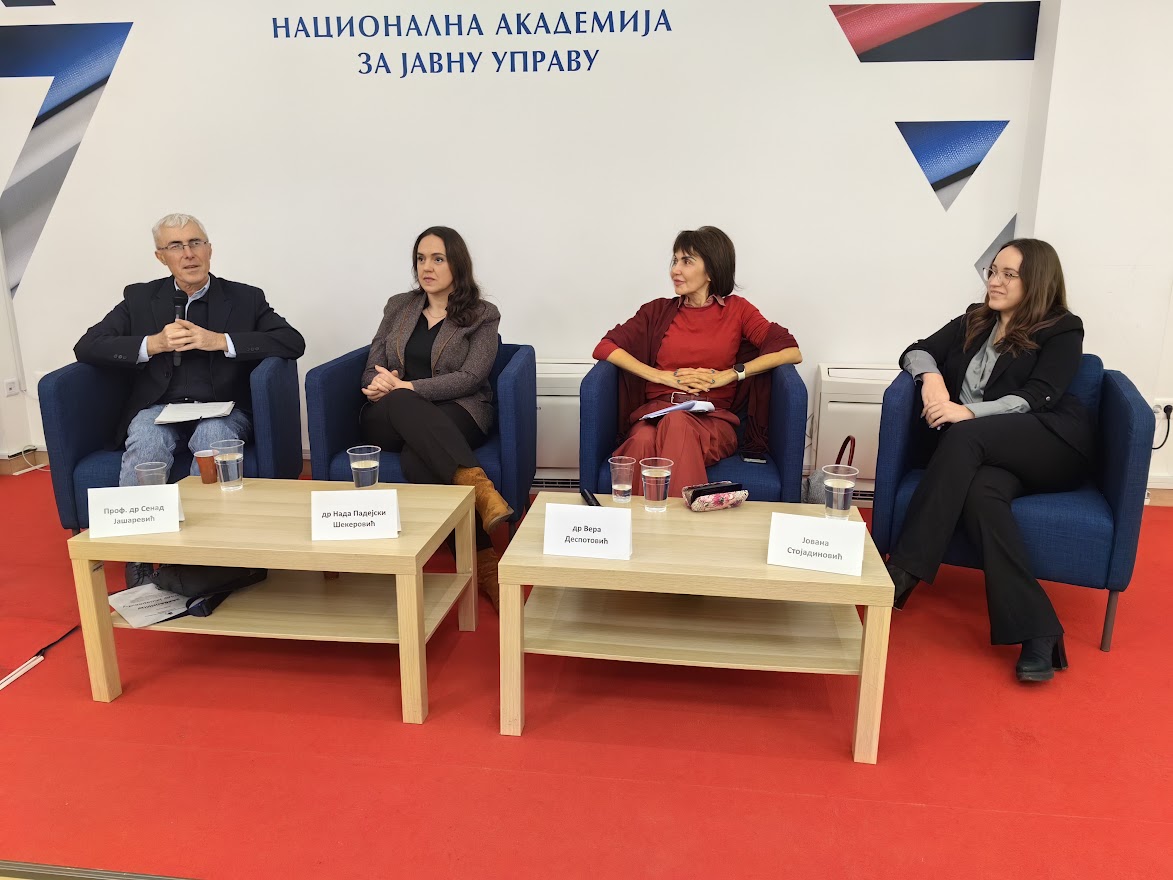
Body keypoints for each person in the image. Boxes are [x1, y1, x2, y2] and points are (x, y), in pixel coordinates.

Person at [884, 238, 1095, 683]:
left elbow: (1040, 396)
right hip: (987, 452)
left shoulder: (1062, 328)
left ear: (1036, 281)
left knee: (964, 435)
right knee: (982, 495)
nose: (994, 282)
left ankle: (902, 571)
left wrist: (968, 413)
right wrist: (931, 377)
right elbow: (916, 349)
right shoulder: (975, 319)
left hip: (1049, 443)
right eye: (992, 271)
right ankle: (1039, 631)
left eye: (1008, 274)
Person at [74, 213, 306, 586]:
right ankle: (140, 554)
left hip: (223, 408)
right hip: (159, 407)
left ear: (209, 249)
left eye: (196, 243)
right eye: (176, 246)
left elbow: (292, 342)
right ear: (160, 257)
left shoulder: (245, 297)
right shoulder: (139, 298)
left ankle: (208, 554)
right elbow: (87, 346)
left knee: (214, 438)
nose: (188, 254)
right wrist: (153, 344)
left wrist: (220, 341)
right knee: (146, 438)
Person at [358, 226, 510, 611]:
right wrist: (378, 385)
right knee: (401, 403)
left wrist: (406, 387)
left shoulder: (481, 314)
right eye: (421, 259)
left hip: (460, 410)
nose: (427, 267)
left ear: (457, 264)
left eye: (438, 259)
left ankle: (481, 561)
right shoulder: (398, 307)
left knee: (418, 455)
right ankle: (481, 491)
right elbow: (372, 365)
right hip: (391, 414)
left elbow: (471, 377)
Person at [592, 226, 801, 495]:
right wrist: (659, 375)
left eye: (687, 261)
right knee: (642, 438)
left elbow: (791, 351)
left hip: (712, 421)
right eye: (675, 260)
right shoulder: (656, 311)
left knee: (676, 424)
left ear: (711, 270)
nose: (675, 270)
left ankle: (675, 521)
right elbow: (604, 347)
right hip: (656, 415)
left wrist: (731, 374)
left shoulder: (738, 311)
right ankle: (641, 521)